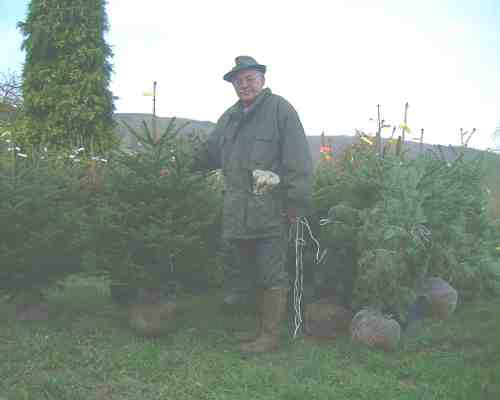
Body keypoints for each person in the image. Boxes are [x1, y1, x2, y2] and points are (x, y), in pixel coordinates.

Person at [192, 56, 313, 353]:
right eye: (238, 81)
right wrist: (178, 167)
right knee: (244, 271)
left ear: (262, 80)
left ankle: (270, 336)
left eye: (249, 79)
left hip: (270, 210)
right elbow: (209, 153)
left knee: (271, 273)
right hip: (236, 212)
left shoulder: (280, 110)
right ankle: (254, 328)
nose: (243, 85)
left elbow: (298, 160)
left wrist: (295, 204)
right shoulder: (230, 117)